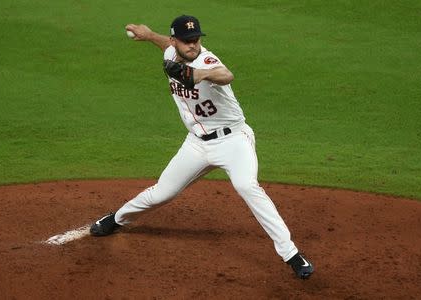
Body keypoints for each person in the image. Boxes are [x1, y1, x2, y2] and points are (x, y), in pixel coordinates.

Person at [90, 15, 314, 279]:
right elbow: (167, 45)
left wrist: (198, 74)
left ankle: (291, 254)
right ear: (176, 41)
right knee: (162, 192)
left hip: (233, 141)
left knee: (247, 186)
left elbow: (226, 75)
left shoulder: (206, 60)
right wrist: (149, 35)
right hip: (196, 144)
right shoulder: (172, 51)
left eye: (196, 39)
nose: (192, 45)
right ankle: (117, 219)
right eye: (186, 41)